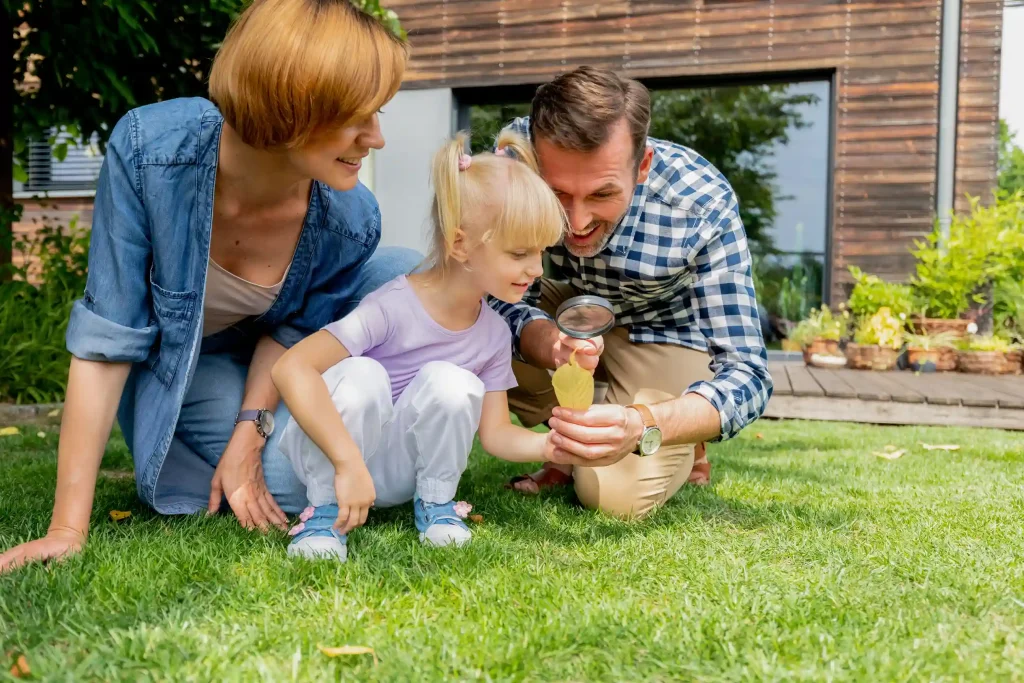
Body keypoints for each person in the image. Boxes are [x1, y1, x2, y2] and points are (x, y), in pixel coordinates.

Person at [0, 0, 419, 574]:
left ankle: (400, 434)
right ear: (291, 104)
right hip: (186, 367)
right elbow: (108, 341)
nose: (376, 138)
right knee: (287, 487)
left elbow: (292, 330)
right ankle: (363, 451)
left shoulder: (350, 217)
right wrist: (67, 528)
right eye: (357, 116)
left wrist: (251, 428)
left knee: (403, 267)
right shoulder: (152, 152)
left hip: (277, 364)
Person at [269, 131, 578, 561]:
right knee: (363, 373)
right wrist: (346, 463)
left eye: (541, 253)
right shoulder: (393, 305)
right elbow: (291, 368)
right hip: (337, 459)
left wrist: (550, 446)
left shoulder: (492, 334)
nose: (535, 269)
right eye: (520, 253)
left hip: (398, 474)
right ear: (459, 244)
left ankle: (436, 506)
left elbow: (496, 434)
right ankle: (323, 513)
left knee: (451, 381)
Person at [489, 66, 773, 519]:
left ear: (642, 166)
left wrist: (644, 423)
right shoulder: (511, 158)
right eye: (557, 193)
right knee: (464, 320)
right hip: (561, 310)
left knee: (614, 500)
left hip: (665, 331)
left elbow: (749, 373)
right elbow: (486, 293)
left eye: (602, 194)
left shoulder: (701, 203)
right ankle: (570, 444)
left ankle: (670, 428)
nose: (576, 223)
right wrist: (548, 345)